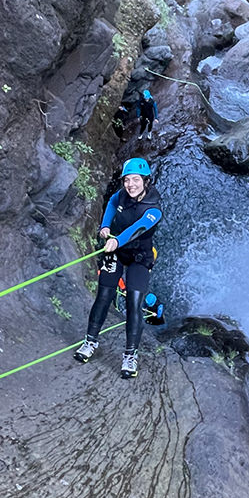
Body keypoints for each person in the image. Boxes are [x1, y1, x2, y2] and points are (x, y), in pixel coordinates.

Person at [74, 157, 163, 378]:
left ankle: (130, 356)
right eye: (127, 180)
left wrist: (117, 240)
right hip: (117, 251)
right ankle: (90, 342)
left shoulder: (154, 207)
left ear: (146, 180)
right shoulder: (122, 194)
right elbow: (113, 202)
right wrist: (105, 225)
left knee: (134, 301)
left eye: (135, 180)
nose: (130, 184)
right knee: (103, 295)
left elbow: (139, 227)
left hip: (139, 256)